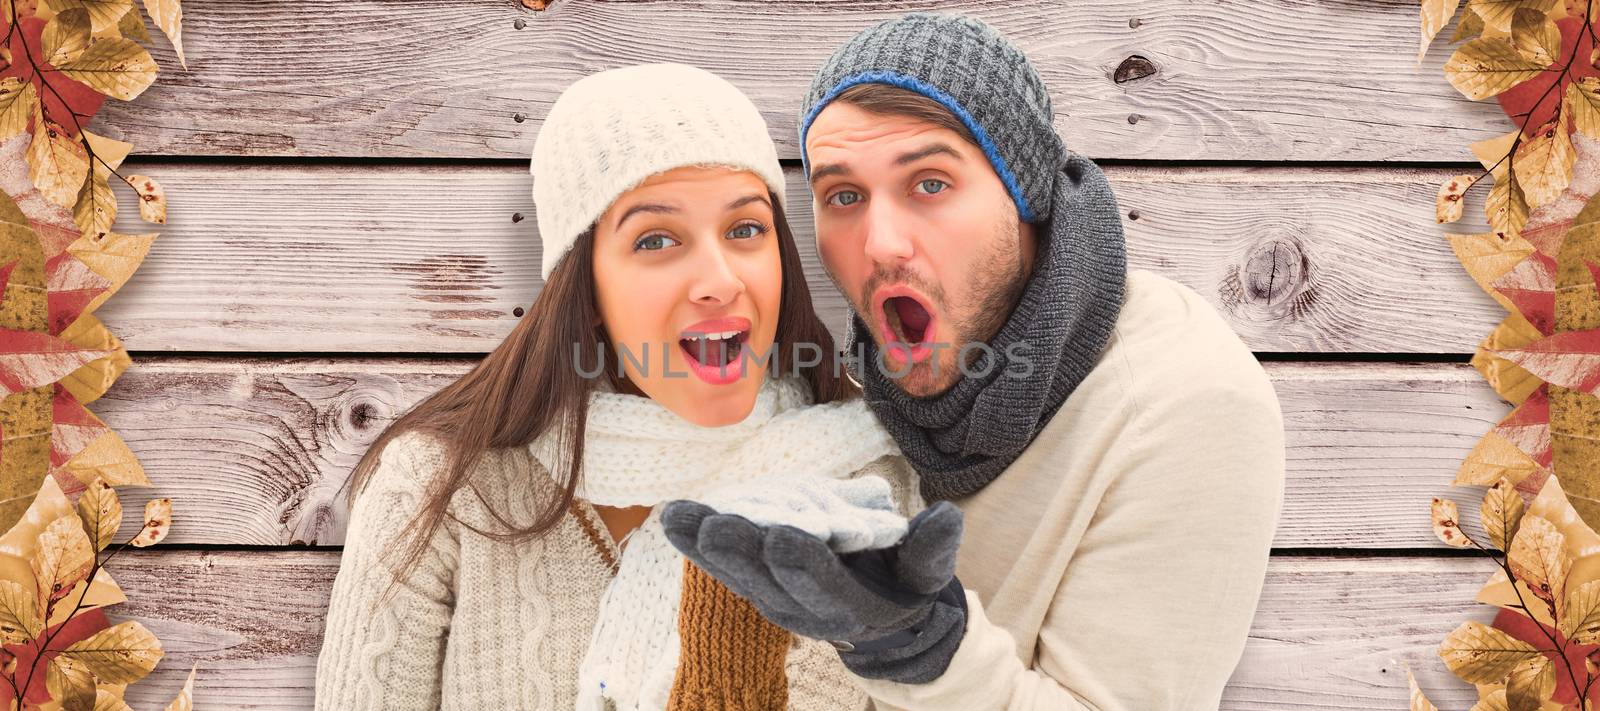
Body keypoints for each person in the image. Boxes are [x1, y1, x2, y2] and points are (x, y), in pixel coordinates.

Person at [663, 12, 1287, 710]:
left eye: (930, 183)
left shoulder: (1186, 403)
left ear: (1023, 194)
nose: (881, 243)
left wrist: (926, 651)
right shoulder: (853, 390)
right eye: (844, 195)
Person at [312, 62, 920, 711]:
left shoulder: (862, 482)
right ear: (587, 288)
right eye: (657, 238)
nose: (718, 278)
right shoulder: (441, 484)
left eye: (745, 229)